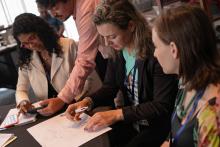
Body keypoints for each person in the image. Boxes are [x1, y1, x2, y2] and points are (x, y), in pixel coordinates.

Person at [65, 0, 178, 146]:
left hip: (158, 126)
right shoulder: (118, 51)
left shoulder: (156, 54)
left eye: (112, 36)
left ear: (131, 26)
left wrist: (118, 114)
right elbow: (109, 87)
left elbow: (161, 105)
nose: (107, 43)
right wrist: (87, 102)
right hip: (133, 121)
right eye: (103, 37)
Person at [152, 5, 220, 147]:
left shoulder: (213, 114)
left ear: (174, 49)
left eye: (156, 46)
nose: (155, 54)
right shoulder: (186, 80)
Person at [13, 13, 102, 116]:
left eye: (32, 38)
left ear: (41, 31)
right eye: (25, 43)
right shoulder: (27, 57)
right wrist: (23, 101)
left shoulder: (68, 46)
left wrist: (65, 100)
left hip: (79, 106)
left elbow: (89, 80)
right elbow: (21, 89)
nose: (31, 45)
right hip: (50, 112)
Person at [34, 0, 108, 116]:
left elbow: (85, 61)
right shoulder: (80, 8)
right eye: (49, 9)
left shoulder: (86, 10)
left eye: (54, 6)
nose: (53, 13)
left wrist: (62, 99)